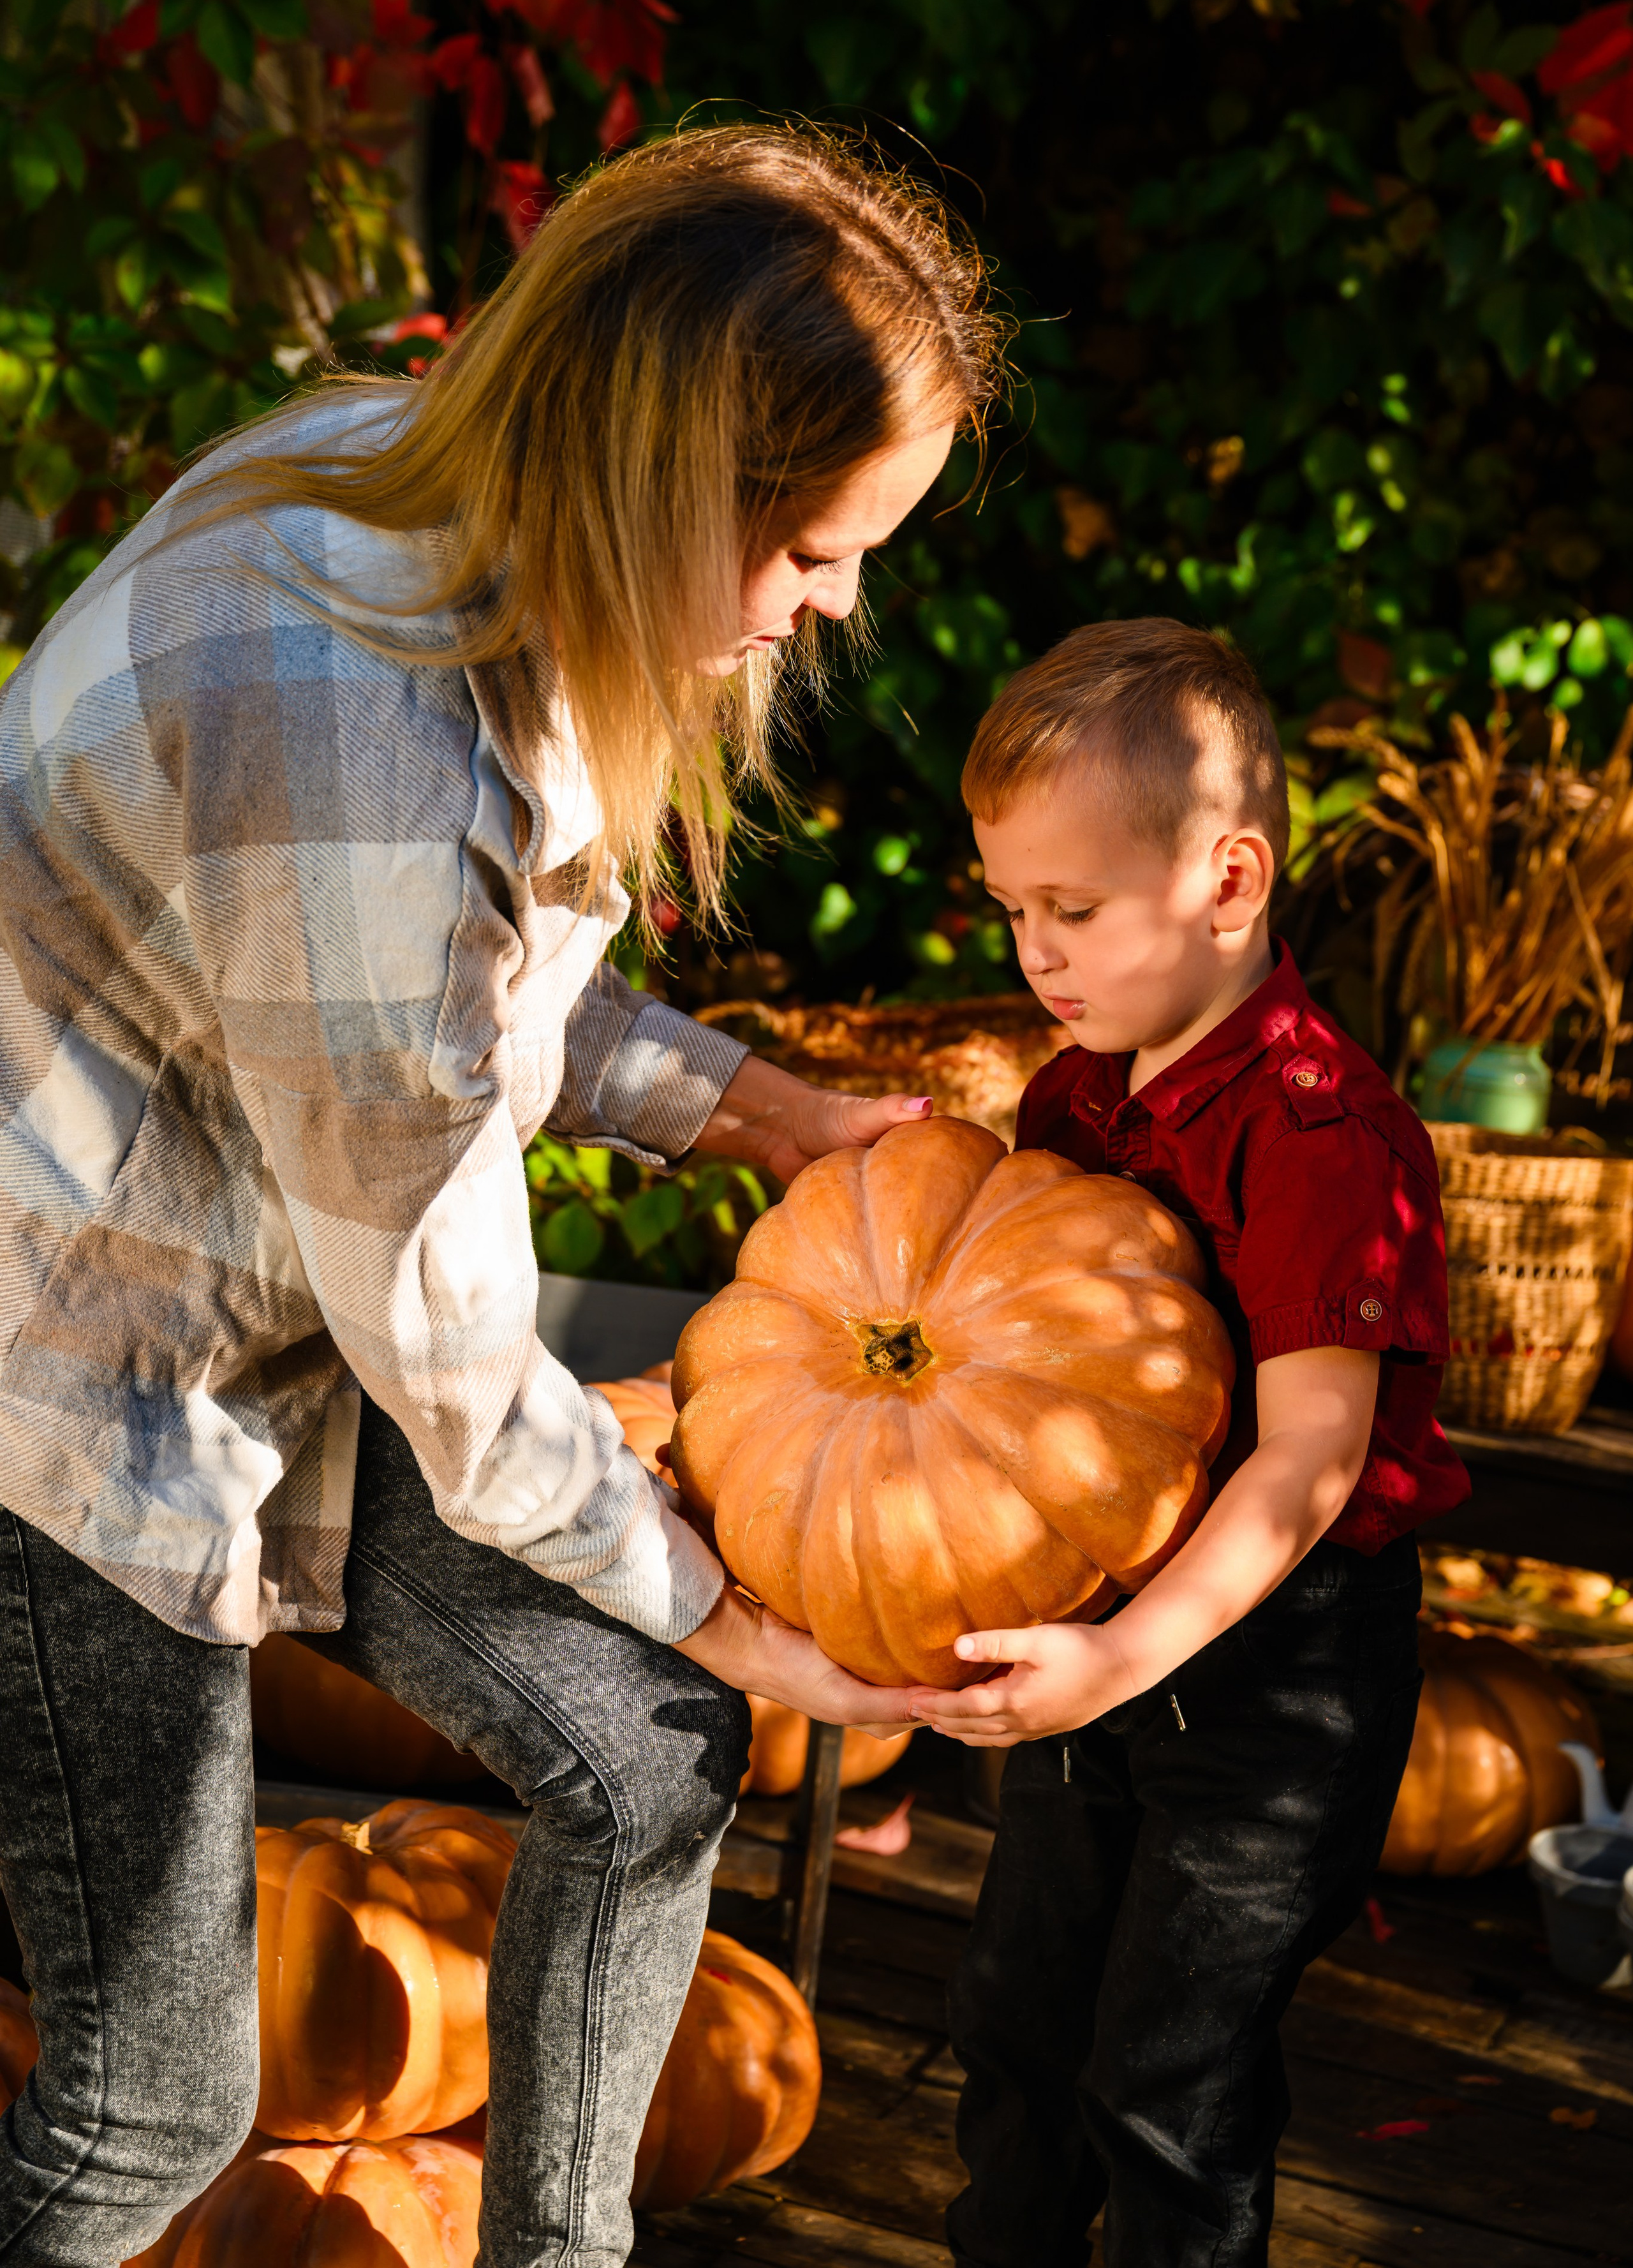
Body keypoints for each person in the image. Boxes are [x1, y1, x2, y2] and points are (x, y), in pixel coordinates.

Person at [0, 124, 1005, 2268]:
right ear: (676, 480)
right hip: (67, 1396)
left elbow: (449, 1006)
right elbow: (446, 1334)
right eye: (822, 549)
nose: (841, 604)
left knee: (645, 1761)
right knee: (153, 2095)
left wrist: (758, 1113)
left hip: (263, 1320)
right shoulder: (347, 723)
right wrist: (745, 1621)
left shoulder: (423, 490)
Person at [913, 619, 1470, 2268]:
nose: (1036, 953)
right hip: (1107, 1625)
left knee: (1169, 2083)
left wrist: (1124, 1658)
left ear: (1230, 884)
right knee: (1015, 2030)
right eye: (1014, 910)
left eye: (1071, 912)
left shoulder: (1319, 1137)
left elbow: (1303, 1462)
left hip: (1271, 1677)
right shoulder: (1073, 1104)